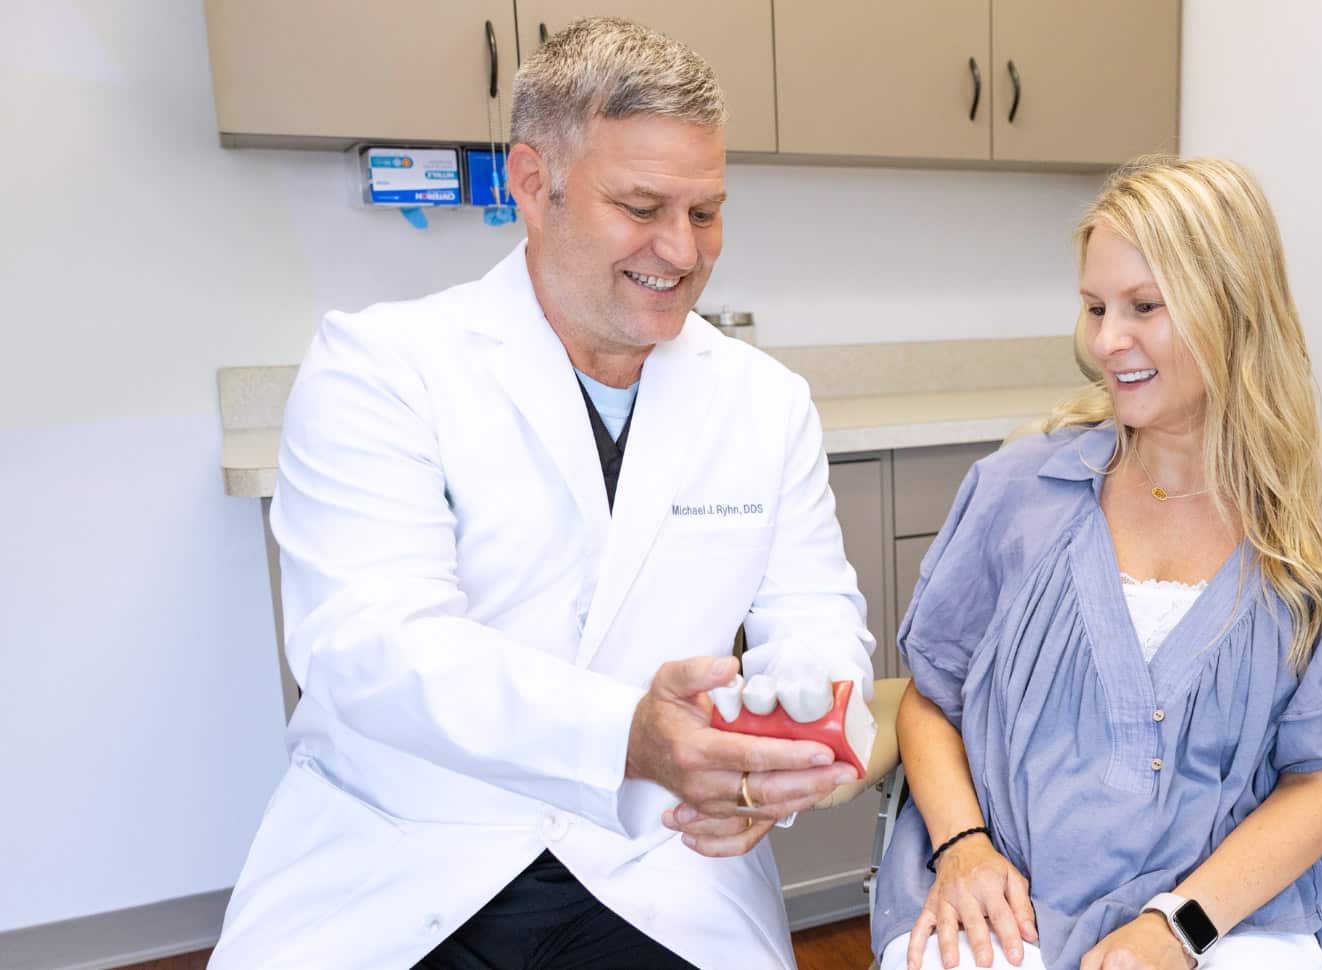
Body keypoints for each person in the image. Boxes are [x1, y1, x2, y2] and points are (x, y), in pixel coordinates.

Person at [209, 19, 872, 970]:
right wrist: (626, 735)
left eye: (706, 211)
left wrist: (790, 741)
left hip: (657, 855)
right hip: (413, 850)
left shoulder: (764, 402)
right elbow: (369, 645)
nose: (681, 250)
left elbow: (814, 616)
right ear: (531, 183)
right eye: (641, 206)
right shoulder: (382, 368)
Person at [871, 157, 1322, 970]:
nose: (1106, 342)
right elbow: (930, 700)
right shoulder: (1015, 493)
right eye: (1095, 307)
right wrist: (962, 847)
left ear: (1230, 309)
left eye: (1144, 307)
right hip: (1003, 890)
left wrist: (1178, 929)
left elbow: (1321, 784)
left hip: (1233, 914)